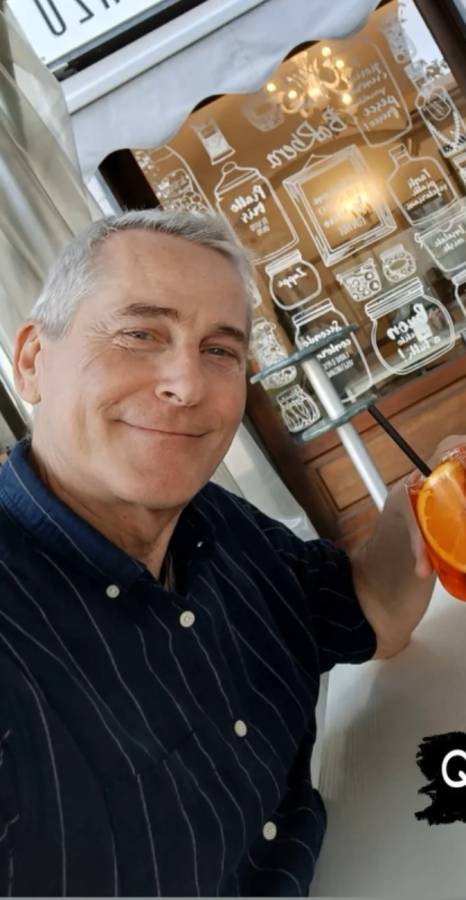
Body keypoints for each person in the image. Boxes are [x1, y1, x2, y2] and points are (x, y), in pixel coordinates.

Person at [0, 209, 440, 897]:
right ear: (32, 361)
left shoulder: (216, 523)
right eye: (140, 333)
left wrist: (427, 500)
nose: (188, 384)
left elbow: (371, 609)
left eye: (220, 351)